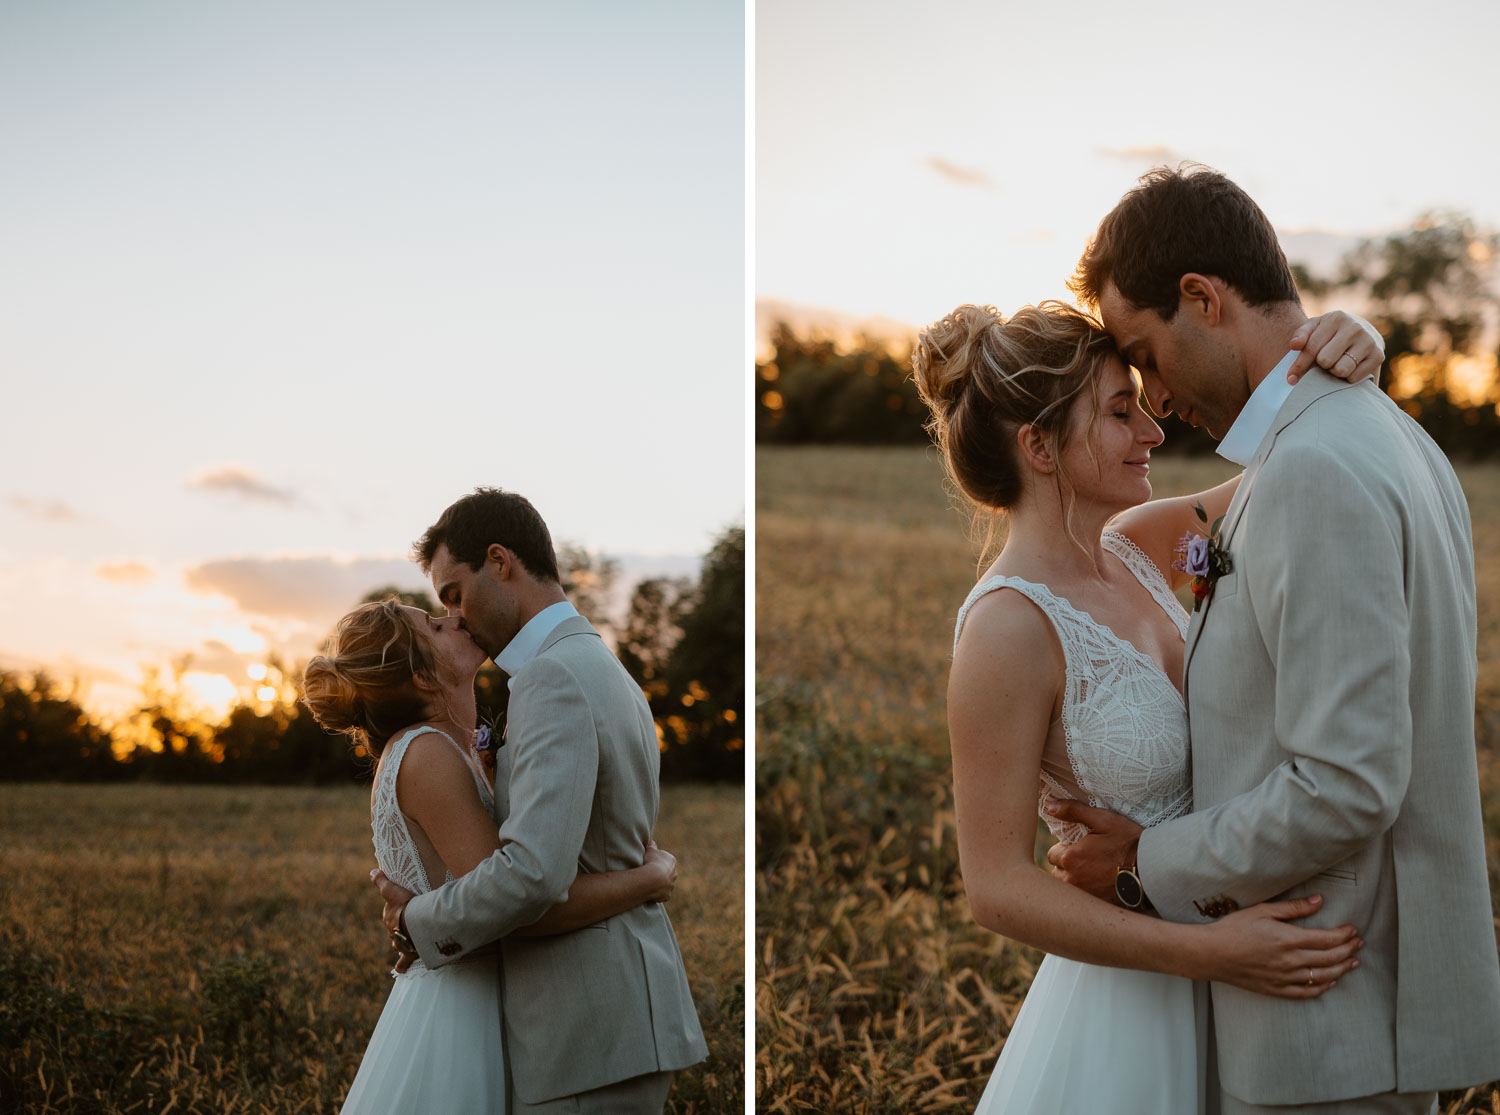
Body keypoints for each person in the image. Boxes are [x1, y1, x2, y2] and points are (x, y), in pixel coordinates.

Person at [1048, 164, 1500, 1114]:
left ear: (1203, 298)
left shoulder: (1314, 470)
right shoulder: (1391, 436)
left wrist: (1143, 864)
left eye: (1148, 355)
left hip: (1327, 1008)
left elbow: (1347, 781)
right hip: (1358, 1003)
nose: (1155, 399)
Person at [912, 298, 1387, 1113]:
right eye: (1120, 412)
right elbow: (994, 886)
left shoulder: (1153, 548)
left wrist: (1354, 355)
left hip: (1239, 967)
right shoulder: (1007, 631)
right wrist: (1206, 953)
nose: (1154, 433)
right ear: (1039, 447)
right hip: (1135, 1001)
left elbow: (1291, 469)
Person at [371, 488, 708, 1114]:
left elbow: (534, 874)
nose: (456, 615)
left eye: (453, 593)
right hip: (610, 1023)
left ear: (500, 561)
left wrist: (416, 922)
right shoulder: (595, 663)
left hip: (586, 1030)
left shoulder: (551, 677)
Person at [303, 598, 680, 1114]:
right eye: (436, 625)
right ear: (423, 677)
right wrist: (648, 880)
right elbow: (515, 905)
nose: (454, 617)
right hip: (461, 1016)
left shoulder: (452, 749)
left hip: (500, 997)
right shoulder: (427, 753)